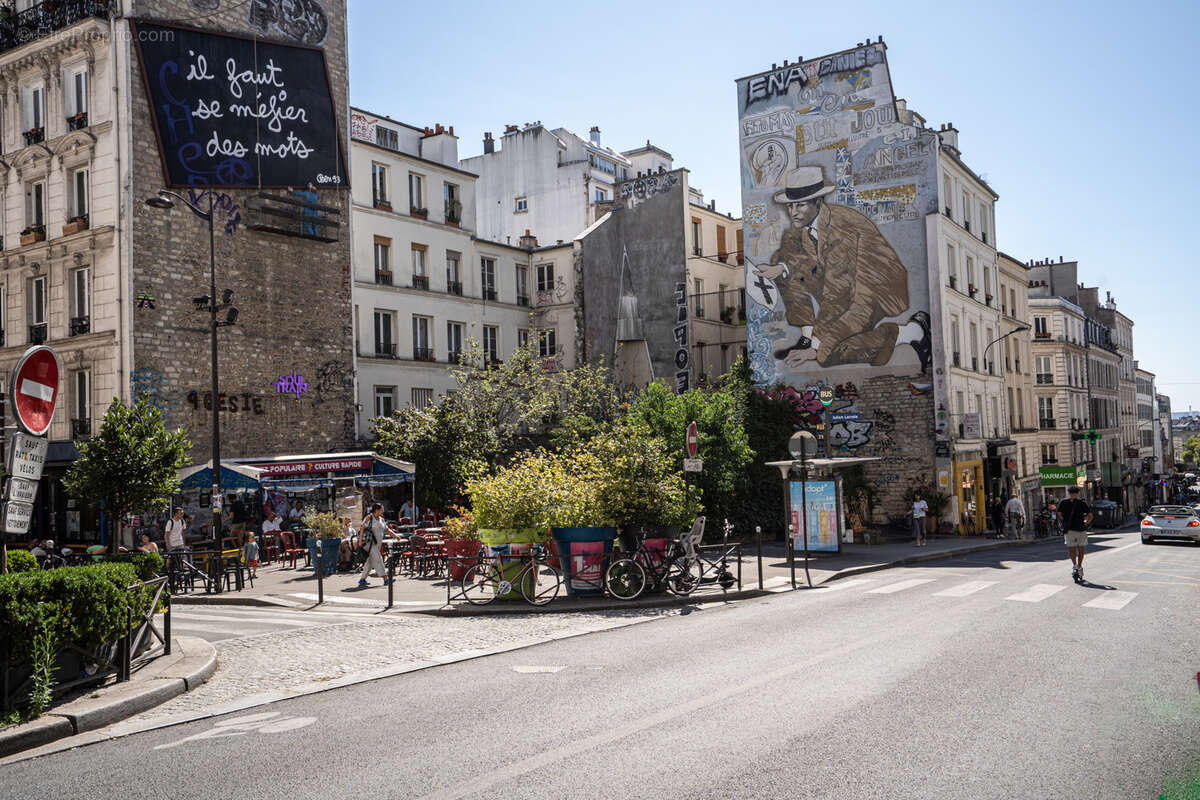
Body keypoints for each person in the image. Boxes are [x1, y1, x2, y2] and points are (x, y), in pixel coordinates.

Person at [753, 166, 931, 372]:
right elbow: (792, 256)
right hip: (840, 286)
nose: (793, 213)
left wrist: (818, 346)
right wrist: (780, 268)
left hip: (876, 290)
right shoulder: (803, 226)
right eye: (790, 206)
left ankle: (912, 332)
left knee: (827, 353)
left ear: (817, 202)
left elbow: (840, 298)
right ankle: (807, 335)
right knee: (781, 261)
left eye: (799, 206)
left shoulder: (842, 231)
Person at [1058, 487, 1093, 583]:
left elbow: (1059, 514)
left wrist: (1064, 521)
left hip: (1069, 529)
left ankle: (1075, 566)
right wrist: (1086, 522)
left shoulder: (1063, 502)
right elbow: (1090, 515)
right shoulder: (1082, 503)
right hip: (1081, 529)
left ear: (1068, 493)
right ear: (1078, 493)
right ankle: (1080, 566)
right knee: (1081, 549)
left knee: (1071, 549)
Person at [358, 503, 390, 587]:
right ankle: (386, 579)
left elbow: (386, 529)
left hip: (378, 544)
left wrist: (396, 536)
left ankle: (362, 579)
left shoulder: (381, 519)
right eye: (381, 509)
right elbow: (362, 528)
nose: (383, 511)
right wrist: (360, 541)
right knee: (378, 559)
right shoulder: (369, 517)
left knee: (369, 562)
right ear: (376, 510)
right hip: (370, 544)